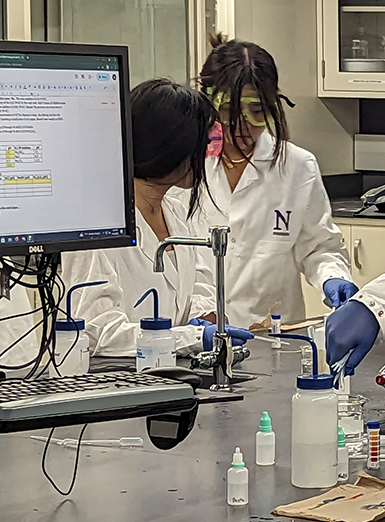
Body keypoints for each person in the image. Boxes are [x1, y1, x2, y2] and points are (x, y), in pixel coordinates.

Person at [64, 79, 253, 357]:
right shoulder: (97, 226)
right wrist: (192, 337)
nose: (207, 155)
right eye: (201, 143)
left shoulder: (174, 211)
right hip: (115, 384)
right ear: (170, 148)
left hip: (167, 374)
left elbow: (194, 288)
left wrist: (206, 317)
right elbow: (98, 332)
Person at [186, 35, 354, 327]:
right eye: (230, 111)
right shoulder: (184, 168)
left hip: (273, 337)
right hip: (195, 335)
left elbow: (318, 247)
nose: (244, 125)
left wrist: (333, 278)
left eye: (257, 112)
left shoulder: (297, 167)